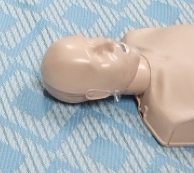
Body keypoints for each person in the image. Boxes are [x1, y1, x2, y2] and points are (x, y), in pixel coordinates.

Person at [41, 27, 194, 146]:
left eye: (90, 40)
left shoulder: (137, 37)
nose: (106, 42)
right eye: (97, 56)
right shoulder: (172, 113)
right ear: (97, 93)